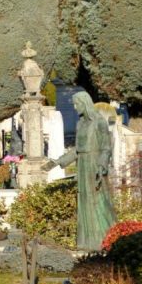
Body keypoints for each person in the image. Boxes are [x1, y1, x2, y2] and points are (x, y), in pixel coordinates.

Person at [50, 91, 117, 250]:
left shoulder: (99, 121)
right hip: (83, 166)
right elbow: (77, 150)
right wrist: (58, 162)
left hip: (95, 166)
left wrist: (101, 166)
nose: (74, 107)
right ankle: (86, 241)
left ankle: (104, 240)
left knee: (98, 202)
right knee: (85, 202)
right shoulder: (81, 123)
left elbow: (106, 148)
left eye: (76, 103)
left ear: (85, 103)